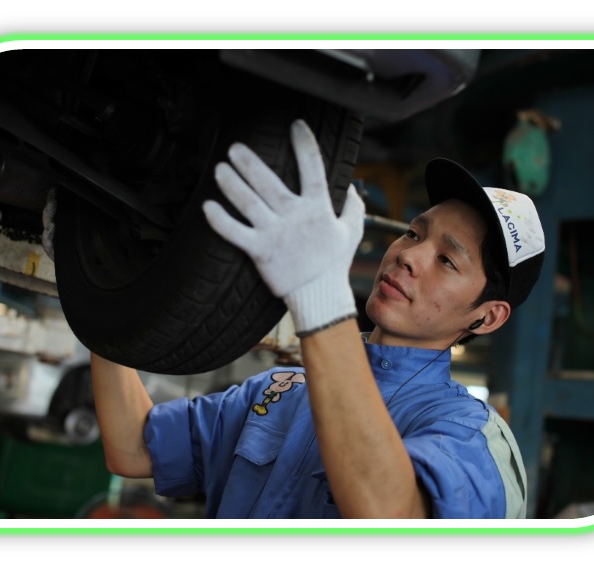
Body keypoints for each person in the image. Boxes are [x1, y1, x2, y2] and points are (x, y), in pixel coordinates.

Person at [90, 119, 545, 519]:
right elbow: (133, 447)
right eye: (413, 232)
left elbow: (393, 517)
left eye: (447, 260)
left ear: (488, 318)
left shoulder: (471, 437)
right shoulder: (281, 392)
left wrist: (319, 294)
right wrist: (98, 291)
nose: (409, 255)